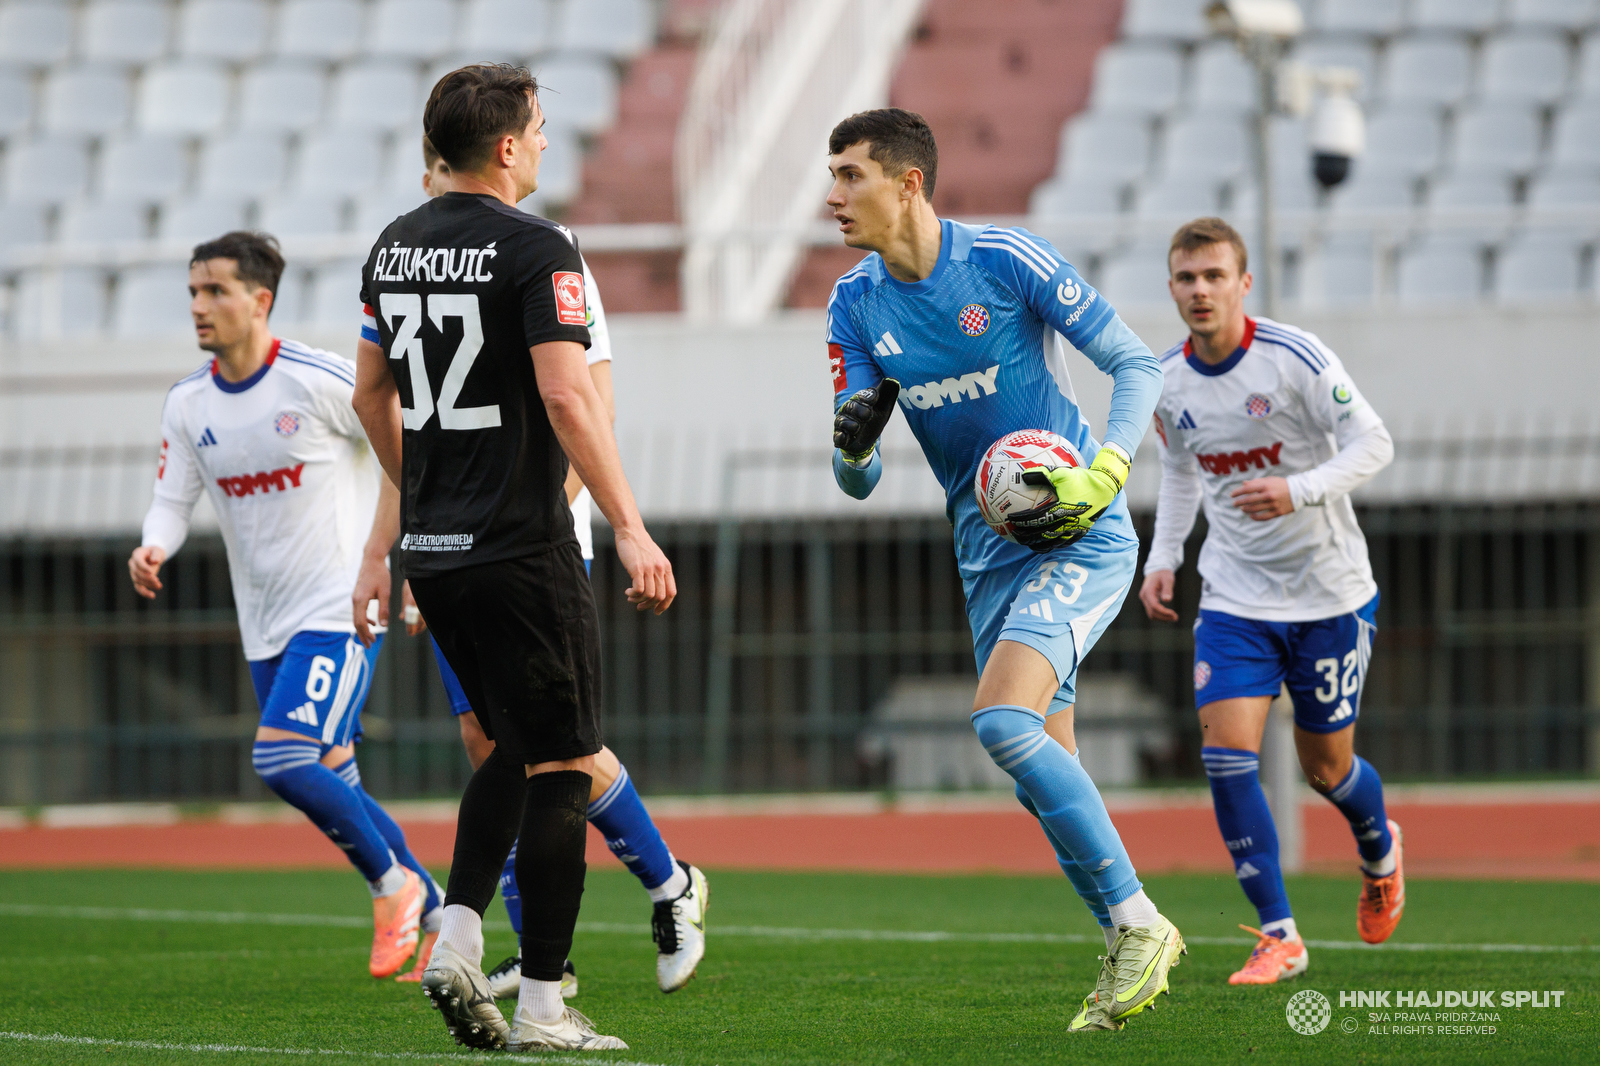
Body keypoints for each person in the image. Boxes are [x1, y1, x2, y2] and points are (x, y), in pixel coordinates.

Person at [824, 108, 1182, 1033]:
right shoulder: (853, 305)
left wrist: (1108, 471)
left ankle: (1142, 923)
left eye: (851, 176)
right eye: (833, 177)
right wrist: (854, 449)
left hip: (1079, 531)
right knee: (1039, 772)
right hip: (986, 556)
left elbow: (1134, 364)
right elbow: (856, 479)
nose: (834, 197)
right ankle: (1124, 939)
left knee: (1000, 719)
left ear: (908, 183)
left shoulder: (1004, 260)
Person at [351, 63, 675, 1053]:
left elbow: (370, 395)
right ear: (503, 146)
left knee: (507, 747)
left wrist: (425, 493)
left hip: (438, 550)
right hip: (523, 546)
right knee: (566, 762)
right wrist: (629, 523)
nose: (542, 143)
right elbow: (570, 396)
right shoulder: (540, 247)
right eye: (535, 129)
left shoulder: (392, 245)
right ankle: (541, 1005)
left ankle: (455, 940)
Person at [128, 231, 446, 981]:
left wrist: (398, 558)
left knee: (281, 757)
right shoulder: (188, 403)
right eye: (194, 291)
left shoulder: (315, 380)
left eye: (216, 291)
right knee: (335, 773)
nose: (199, 305)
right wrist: (153, 545)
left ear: (260, 300)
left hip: (338, 608)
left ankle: (392, 886)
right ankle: (435, 909)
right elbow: (172, 498)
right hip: (263, 625)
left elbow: (405, 446)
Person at [1139, 217, 1404, 985]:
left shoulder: (1294, 358)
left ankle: (1380, 851)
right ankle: (1279, 934)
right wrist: (1164, 558)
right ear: (1172, 287)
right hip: (1235, 599)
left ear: (1243, 283)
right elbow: (1181, 471)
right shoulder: (1166, 381)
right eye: (1187, 278)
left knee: (1327, 770)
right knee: (1226, 758)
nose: (1200, 290)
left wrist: (1299, 489)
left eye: (1214, 276)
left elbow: (1375, 443)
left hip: (1329, 595)